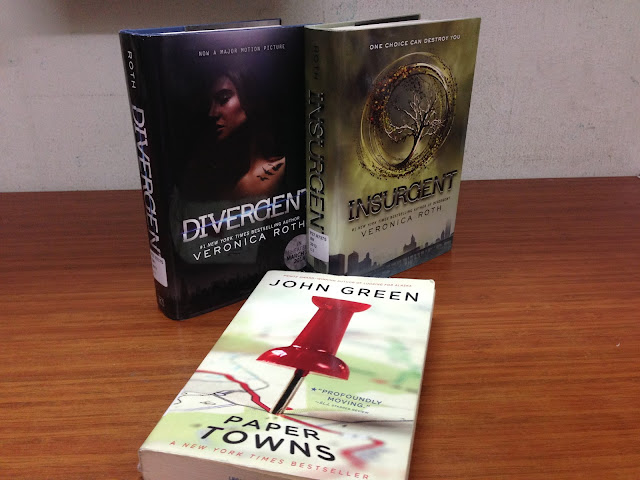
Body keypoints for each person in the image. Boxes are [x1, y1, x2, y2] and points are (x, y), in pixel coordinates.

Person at [179, 65, 286, 202]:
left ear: (249, 98)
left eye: (223, 99)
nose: (212, 113)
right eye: (209, 104)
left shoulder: (284, 170)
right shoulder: (203, 177)